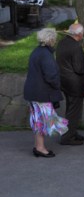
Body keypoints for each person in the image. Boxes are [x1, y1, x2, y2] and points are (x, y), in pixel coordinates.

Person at [24, 28, 68, 157]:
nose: (55, 41)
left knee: (38, 120)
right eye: (54, 39)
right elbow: (51, 76)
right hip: (41, 94)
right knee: (43, 121)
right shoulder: (45, 54)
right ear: (50, 40)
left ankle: (38, 146)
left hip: (33, 92)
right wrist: (58, 85)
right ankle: (40, 148)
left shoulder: (37, 51)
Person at [56, 23, 84, 145]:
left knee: (71, 109)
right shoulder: (75, 47)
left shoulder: (62, 42)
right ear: (79, 34)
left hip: (64, 81)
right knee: (73, 111)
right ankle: (67, 137)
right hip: (75, 84)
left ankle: (72, 132)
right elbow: (79, 68)